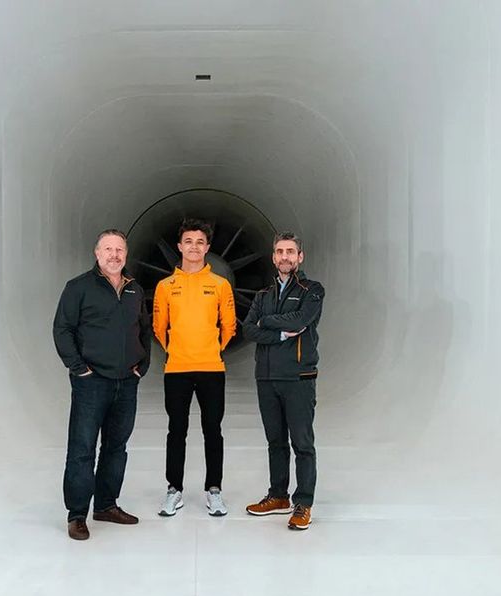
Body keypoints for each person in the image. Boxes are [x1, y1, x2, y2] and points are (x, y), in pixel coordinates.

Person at [53, 229, 151, 541]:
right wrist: (79, 368)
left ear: (126, 254)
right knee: (82, 449)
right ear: (97, 253)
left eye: (119, 250)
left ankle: (107, 505)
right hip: (91, 384)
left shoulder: (135, 289)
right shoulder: (79, 287)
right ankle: (77, 514)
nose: (114, 255)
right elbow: (62, 329)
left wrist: (142, 364)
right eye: (108, 249)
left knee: (116, 447)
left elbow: (144, 330)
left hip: (126, 382)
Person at [152, 218, 236, 517]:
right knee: (177, 430)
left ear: (208, 248)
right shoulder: (165, 287)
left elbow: (229, 327)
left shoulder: (220, 286)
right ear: (179, 246)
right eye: (188, 241)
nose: (194, 247)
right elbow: (158, 328)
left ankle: (214, 490)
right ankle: (174, 490)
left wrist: (210, 350)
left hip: (212, 368)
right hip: (176, 369)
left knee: (213, 430)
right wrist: (178, 351)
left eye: (200, 242)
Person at [241, 232, 325, 530]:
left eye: (291, 251)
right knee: (275, 442)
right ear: (273, 257)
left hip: (298, 376)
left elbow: (300, 321)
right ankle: (278, 496)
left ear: (300, 256)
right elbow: (248, 329)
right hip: (266, 376)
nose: (285, 256)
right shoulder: (263, 295)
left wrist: (268, 320)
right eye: (280, 251)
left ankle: (303, 503)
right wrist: (274, 329)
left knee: (302, 443)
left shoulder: (312, 290)